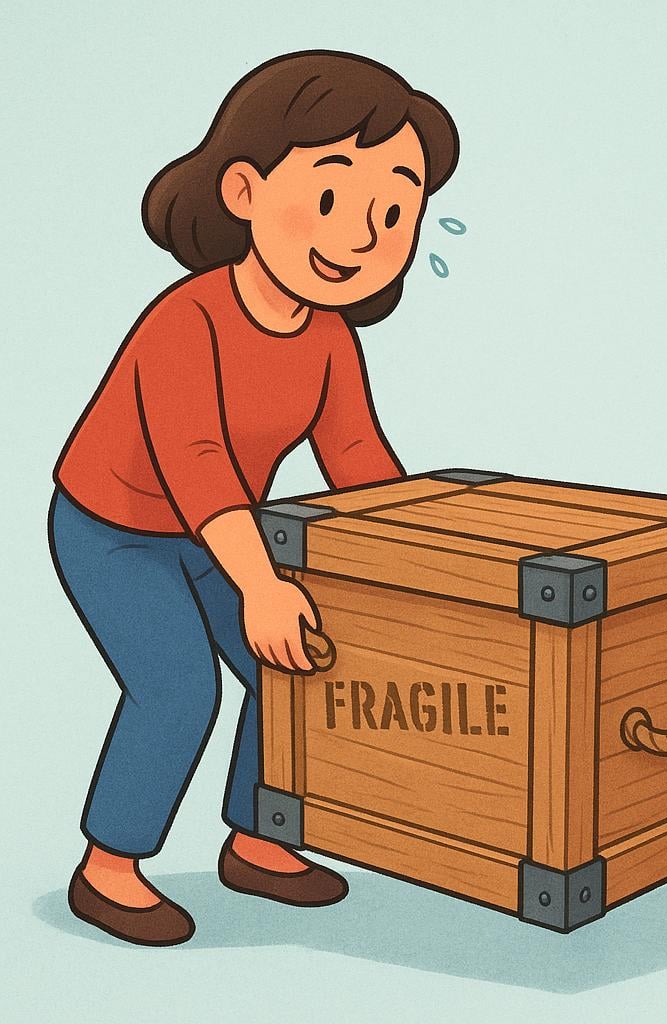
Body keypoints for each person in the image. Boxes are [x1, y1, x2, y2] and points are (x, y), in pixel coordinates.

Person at [49, 50, 459, 946]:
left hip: (219, 533)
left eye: (393, 212)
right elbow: (195, 462)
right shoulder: (185, 319)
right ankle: (108, 866)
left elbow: (356, 455)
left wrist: (433, 552)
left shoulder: (328, 336)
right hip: (114, 529)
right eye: (330, 199)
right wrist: (265, 586)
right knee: (177, 689)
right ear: (242, 189)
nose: (361, 235)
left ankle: (258, 840)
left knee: (298, 666)